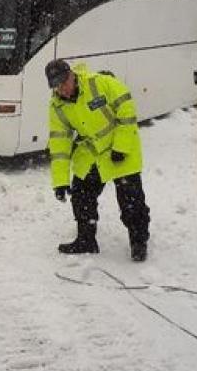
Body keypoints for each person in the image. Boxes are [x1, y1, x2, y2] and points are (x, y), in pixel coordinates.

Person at [45, 59, 150, 262]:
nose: (62, 90)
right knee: (81, 194)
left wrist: (121, 146)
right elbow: (59, 144)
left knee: (131, 201)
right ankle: (86, 240)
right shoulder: (57, 106)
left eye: (63, 83)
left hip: (120, 147)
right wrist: (59, 181)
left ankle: (139, 242)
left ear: (71, 76)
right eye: (56, 86)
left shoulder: (100, 83)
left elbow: (127, 110)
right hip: (92, 151)